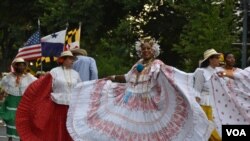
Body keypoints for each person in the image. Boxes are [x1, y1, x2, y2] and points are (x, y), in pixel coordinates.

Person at [66, 38, 213, 141]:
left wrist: (184, 80)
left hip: (147, 101)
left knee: (146, 132)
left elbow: (168, 76)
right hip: (129, 99)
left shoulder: (157, 64)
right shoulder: (137, 64)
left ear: (153, 50)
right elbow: (127, 77)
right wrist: (112, 77)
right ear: (140, 51)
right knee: (124, 128)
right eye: (143, 49)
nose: (146, 51)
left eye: (148, 48)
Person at [15, 51, 81, 141]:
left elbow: (80, 87)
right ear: (63, 60)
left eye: (73, 59)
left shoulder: (76, 74)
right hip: (57, 105)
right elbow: (44, 85)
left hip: (71, 107)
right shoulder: (55, 71)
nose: (72, 61)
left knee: (70, 128)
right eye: (70, 58)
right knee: (57, 128)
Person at [193, 49, 249, 141]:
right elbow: (196, 91)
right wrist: (195, 108)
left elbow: (229, 80)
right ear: (210, 59)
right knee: (211, 131)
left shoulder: (218, 71)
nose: (219, 60)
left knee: (220, 129)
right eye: (217, 58)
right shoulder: (201, 71)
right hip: (205, 105)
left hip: (220, 105)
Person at [0, 58, 37, 141]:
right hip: (11, 102)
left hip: (23, 101)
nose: (21, 67)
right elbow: (2, 86)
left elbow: (39, 84)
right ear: (15, 66)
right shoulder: (8, 77)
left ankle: (22, 138)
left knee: (22, 121)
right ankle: (10, 138)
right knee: (11, 120)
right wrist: (2, 94)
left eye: (23, 65)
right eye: (19, 65)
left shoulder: (29, 77)